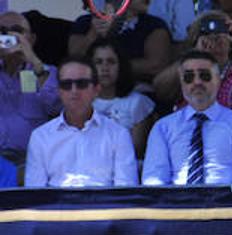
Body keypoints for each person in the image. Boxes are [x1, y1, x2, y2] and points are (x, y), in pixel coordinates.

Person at [142, 49, 232, 186]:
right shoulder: (162, 128)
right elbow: (154, 180)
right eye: (189, 77)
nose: (197, 82)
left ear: (218, 80)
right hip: (177, 203)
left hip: (227, 204)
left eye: (205, 75)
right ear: (181, 82)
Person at [24, 56, 136, 187]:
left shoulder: (118, 135)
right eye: (66, 85)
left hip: (104, 206)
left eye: (81, 84)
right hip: (56, 207)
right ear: (59, 91)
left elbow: (125, 193)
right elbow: (35, 195)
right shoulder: (40, 137)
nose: (74, 91)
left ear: (96, 89)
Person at [153, 13, 232, 120]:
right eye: (206, 34)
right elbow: (161, 91)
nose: (213, 40)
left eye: (219, 35)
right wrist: (196, 54)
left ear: (231, 41)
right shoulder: (186, 69)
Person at [0, 10, 57, 170]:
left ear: (31, 39)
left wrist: (33, 61)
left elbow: (57, 107)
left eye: (17, 31)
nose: (9, 37)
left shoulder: (47, 72)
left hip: (31, 160)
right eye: (2, 32)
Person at [66, 0, 171, 87]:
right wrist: (94, 33)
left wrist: (109, 67)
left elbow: (155, 65)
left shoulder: (153, 24)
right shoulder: (85, 22)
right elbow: (75, 58)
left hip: (136, 91)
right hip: (91, 89)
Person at [87, 38, 153, 157]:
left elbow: (134, 149)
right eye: (98, 62)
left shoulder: (137, 102)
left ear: (121, 66)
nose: (105, 68)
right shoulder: (82, 102)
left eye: (111, 62)